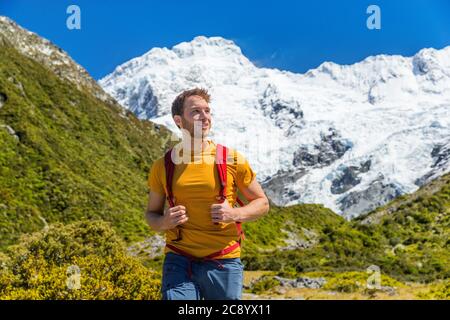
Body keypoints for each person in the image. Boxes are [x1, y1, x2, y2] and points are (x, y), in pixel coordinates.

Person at [145, 88, 270, 300]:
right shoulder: (163, 166)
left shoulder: (231, 159)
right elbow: (151, 215)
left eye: (207, 111)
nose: (205, 117)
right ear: (178, 120)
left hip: (224, 259)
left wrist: (234, 214)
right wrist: (164, 221)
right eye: (195, 112)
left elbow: (262, 203)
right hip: (179, 258)